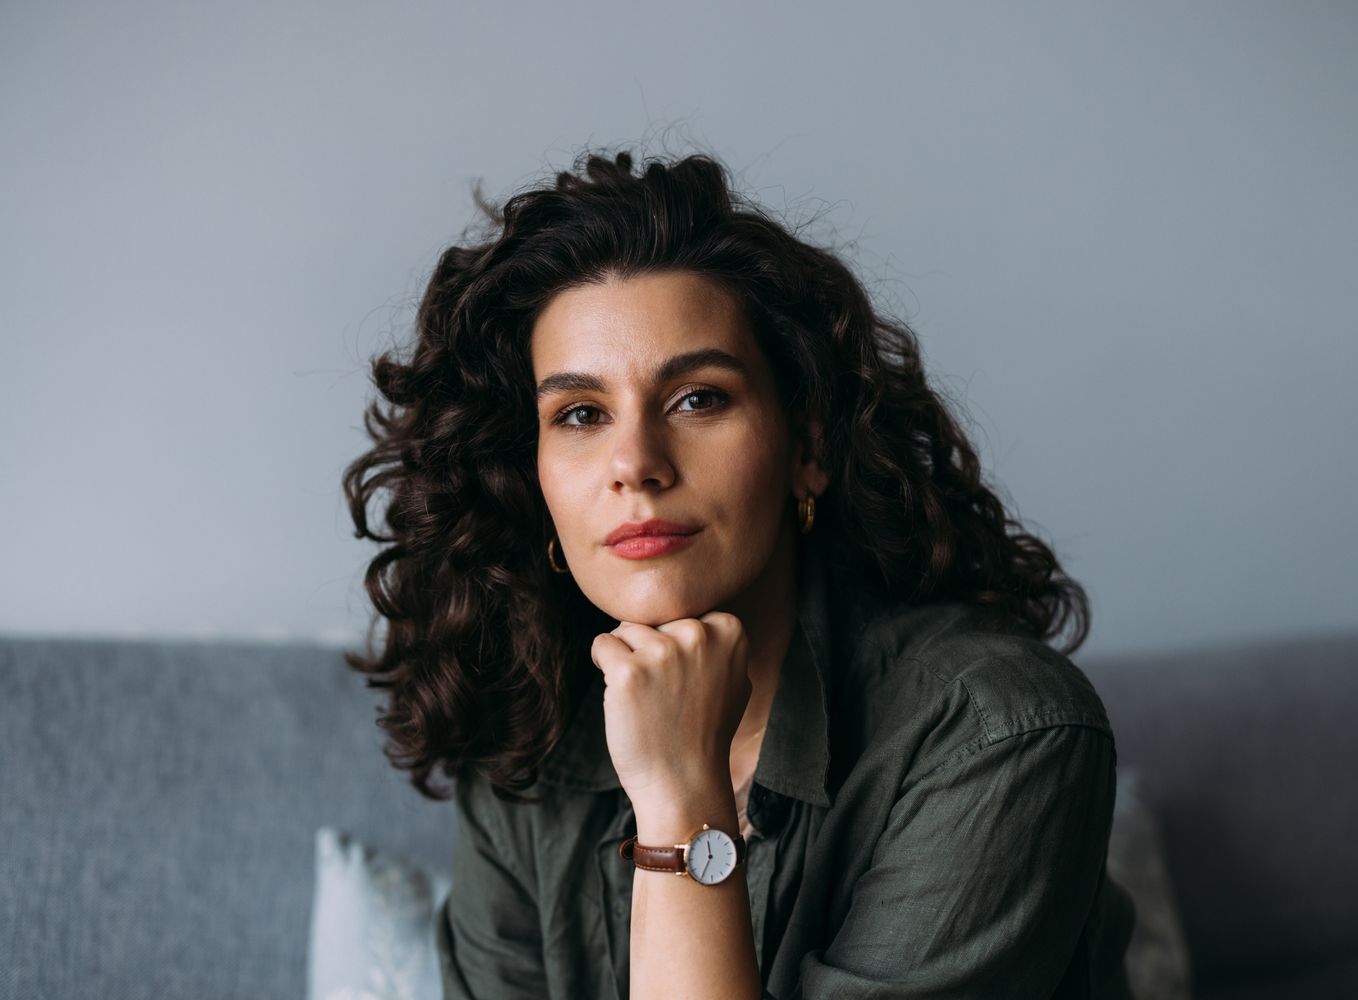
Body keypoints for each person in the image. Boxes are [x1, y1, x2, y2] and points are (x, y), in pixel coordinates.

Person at [341, 147, 1136, 999]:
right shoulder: (525, 734)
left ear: (808, 449)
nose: (636, 464)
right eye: (579, 414)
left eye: (698, 399)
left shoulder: (1000, 732)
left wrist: (681, 801)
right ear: (529, 477)